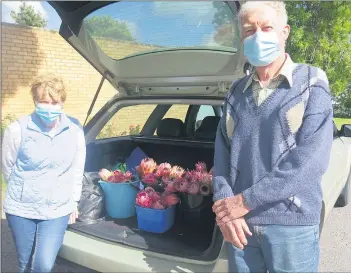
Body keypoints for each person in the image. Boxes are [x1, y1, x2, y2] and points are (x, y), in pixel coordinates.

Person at [212, 1, 333, 272]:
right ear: (242, 38)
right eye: (249, 30)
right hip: (240, 226)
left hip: (291, 226)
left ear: (285, 32)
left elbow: (309, 162)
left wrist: (242, 202)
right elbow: (222, 154)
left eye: (267, 27)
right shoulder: (235, 93)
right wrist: (223, 206)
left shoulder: (312, 84)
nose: (258, 36)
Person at [2, 74, 86, 273]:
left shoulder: (74, 129)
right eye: (43, 101)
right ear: (35, 101)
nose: (49, 106)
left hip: (57, 209)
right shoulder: (17, 130)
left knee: (43, 265)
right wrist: (24, 190)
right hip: (21, 208)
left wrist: (74, 201)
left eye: (54, 102)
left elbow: (77, 168)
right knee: (25, 263)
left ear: (62, 102)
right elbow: (8, 167)